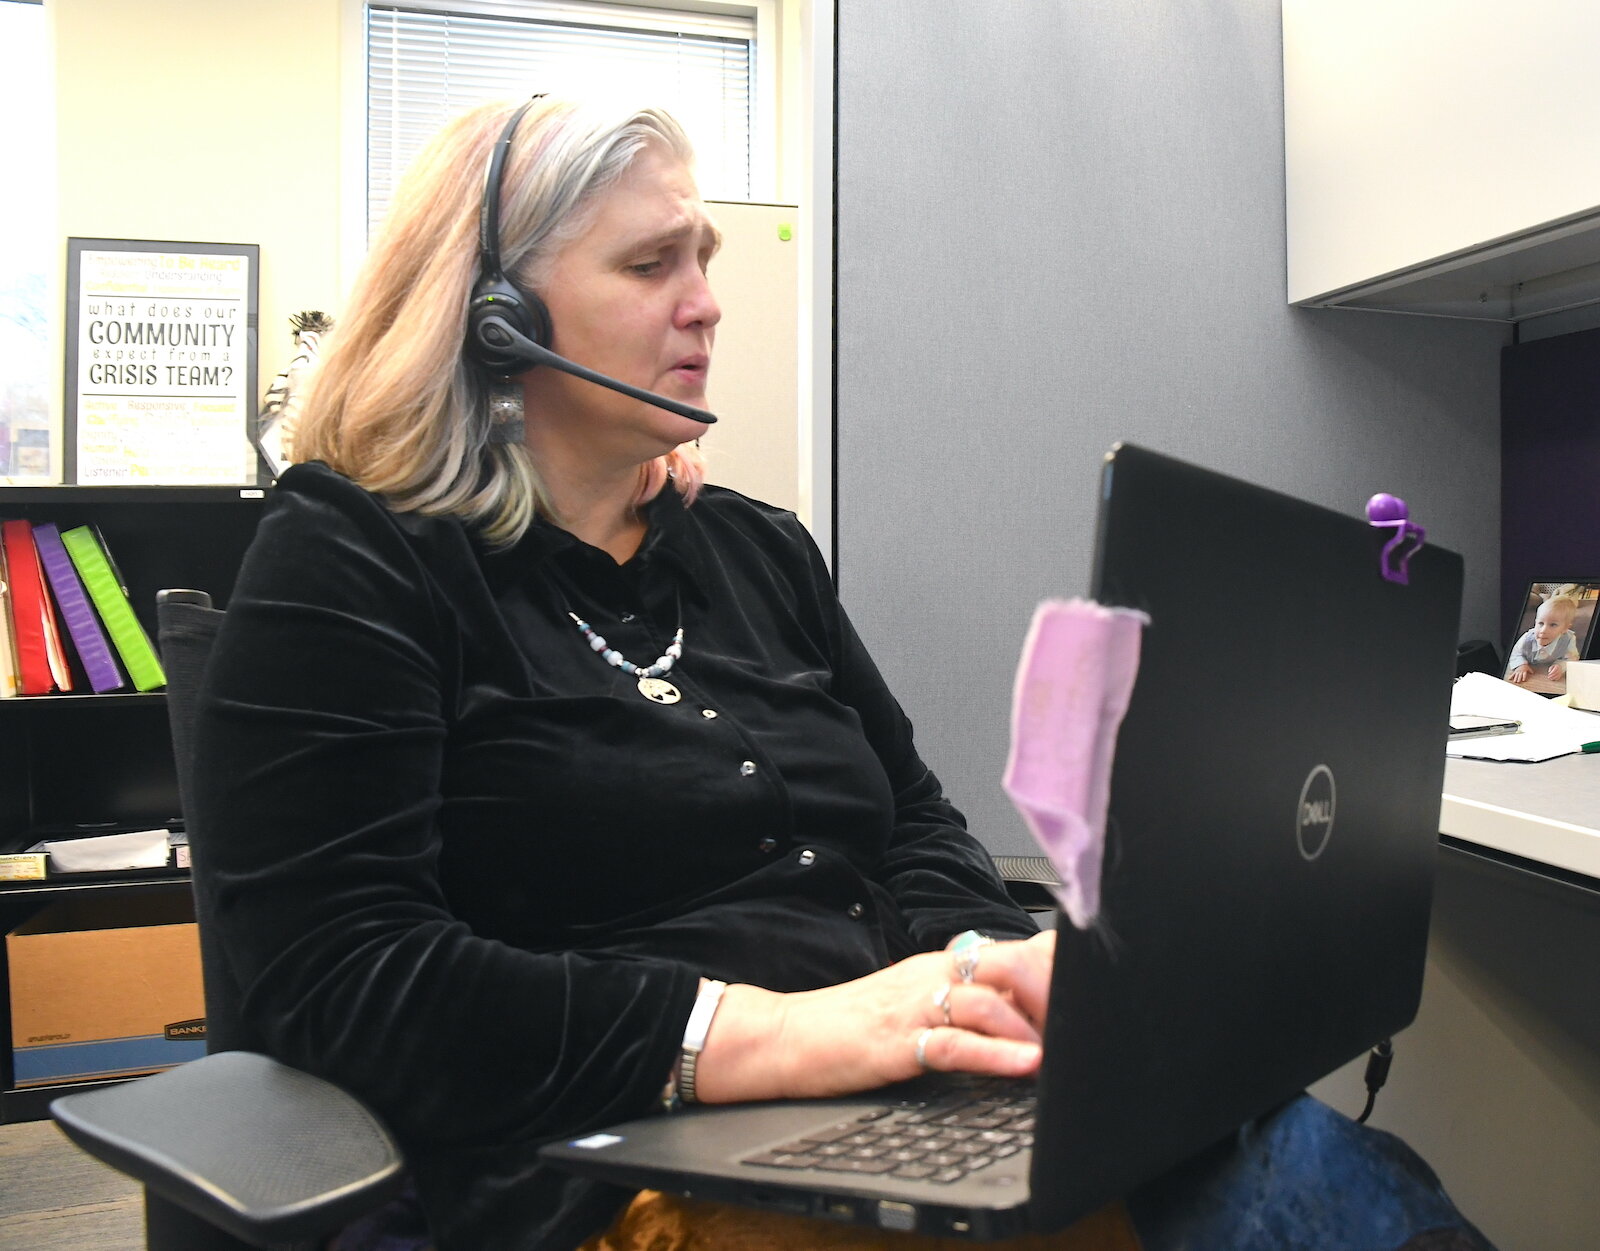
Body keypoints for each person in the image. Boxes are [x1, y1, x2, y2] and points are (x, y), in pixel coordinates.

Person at [191, 97, 1495, 1251]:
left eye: (701, 256)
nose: (706, 299)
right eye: (652, 263)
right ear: (494, 317)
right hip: (604, 1174)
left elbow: (914, 817)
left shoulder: (753, 546)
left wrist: (976, 958)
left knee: (1289, 1154)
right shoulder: (352, 556)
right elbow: (337, 981)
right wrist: (797, 1033)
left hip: (885, 1112)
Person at [1505, 594, 1579, 683]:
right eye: (1540, 623)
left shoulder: (1568, 639)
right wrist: (1520, 665)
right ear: (1535, 622)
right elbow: (1515, 652)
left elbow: (1572, 657)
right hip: (1531, 671)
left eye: (1553, 625)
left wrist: (1561, 666)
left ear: (1565, 628)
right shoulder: (1527, 638)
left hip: (1546, 675)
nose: (1543, 630)